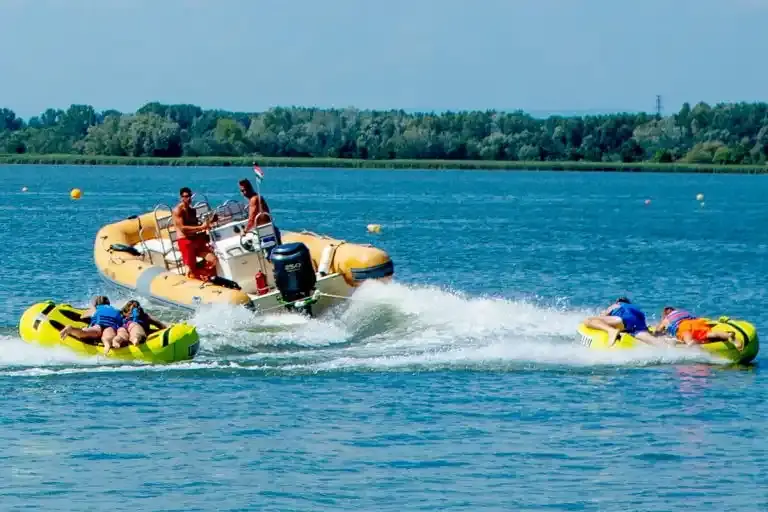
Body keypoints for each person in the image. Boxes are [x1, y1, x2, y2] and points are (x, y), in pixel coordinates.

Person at [172, 186, 218, 281]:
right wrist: (201, 227)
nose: (188, 198)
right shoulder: (178, 211)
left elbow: (196, 226)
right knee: (190, 269)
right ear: (181, 198)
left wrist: (210, 222)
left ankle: (204, 275)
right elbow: (183, 228)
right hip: (185, 241)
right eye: (185, 196)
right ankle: (192, 273)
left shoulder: (193, 211)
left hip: (196, 239)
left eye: (189, 196)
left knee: (213, 259)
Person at [583, 297, 668, 346]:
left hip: (622, 320)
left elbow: (602, 317)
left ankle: (611, 331)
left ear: (618, 302)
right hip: (639, 324)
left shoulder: (616, 305)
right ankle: (671, 346)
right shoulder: (634, 308)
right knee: (656, 343)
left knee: (588, 320)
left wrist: (602, 314)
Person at [60, 296, 127, 355]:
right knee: (108, 337)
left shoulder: (96, 308)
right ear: (108, 303)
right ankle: (107, 346)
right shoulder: (116, 310)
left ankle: (71, 329)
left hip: (99, 323)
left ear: (96, 304)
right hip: (110, 325)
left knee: (85, 332)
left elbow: (82, 316)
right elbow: (122, 322)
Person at [654, 306, 739, 349]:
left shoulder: (666, 319)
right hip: (698, 323)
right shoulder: (683, 312)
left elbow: (658, 331)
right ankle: (728, 336)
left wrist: (656, 334)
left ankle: (691, 342)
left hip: (684, 326)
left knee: (687, 338)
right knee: (709, 334)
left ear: (665, 314)